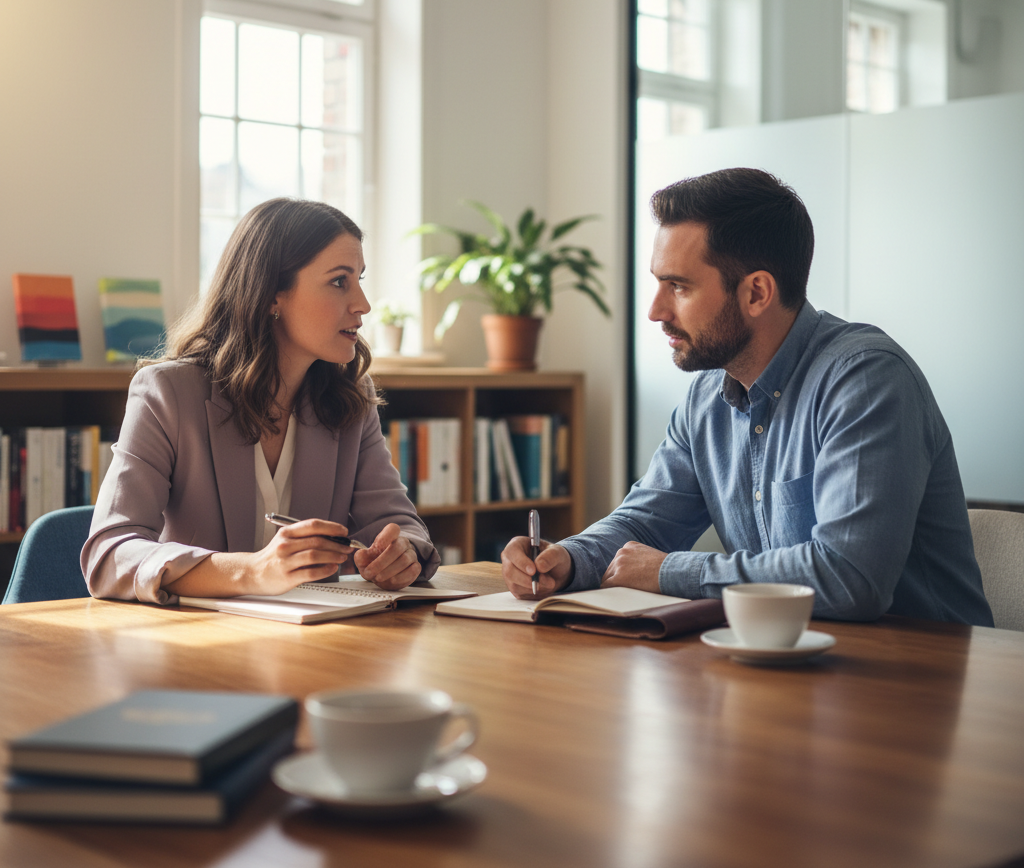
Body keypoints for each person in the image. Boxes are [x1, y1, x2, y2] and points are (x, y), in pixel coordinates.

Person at [502, 168, 993, 625]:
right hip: (789, 669)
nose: (655, 311)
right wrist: (566, 558)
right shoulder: (705, 400)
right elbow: (646, 524)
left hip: (920, 684)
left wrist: (669, 571)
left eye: (678, 287)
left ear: (757, 293)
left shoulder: (865, 381)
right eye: (658, 284)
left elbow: (850, 577)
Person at [83, 198, 439, 604]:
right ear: (272, 294)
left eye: (360, 278)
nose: (363, 304)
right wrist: (251, 571)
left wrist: (402, 553)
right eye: (340, 281)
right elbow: (109, 553)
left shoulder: (351, 399)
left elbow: (398, 523)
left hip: (317, 644)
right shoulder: (166, 394)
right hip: (191, 646)